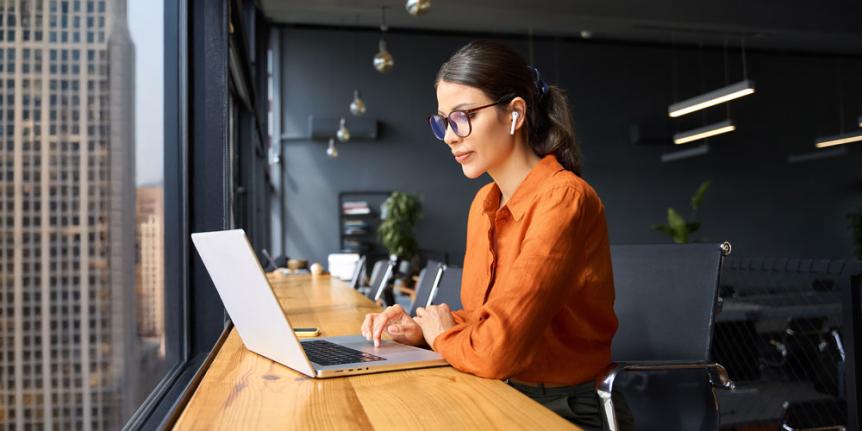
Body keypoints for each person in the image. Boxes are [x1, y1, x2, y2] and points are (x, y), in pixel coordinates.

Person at [360, 40, 633, 430]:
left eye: (463, 116)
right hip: (500, 392)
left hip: (567, 410)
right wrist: (421, 330)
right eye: (443, 122)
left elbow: (497, 350)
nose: (451, 136)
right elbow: (483, 319)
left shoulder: (564, 198)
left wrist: (441, 337)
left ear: (514, 114)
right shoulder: (484, 203)